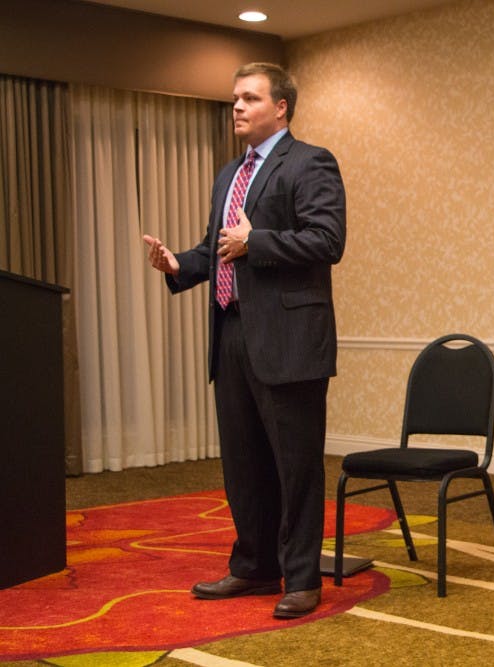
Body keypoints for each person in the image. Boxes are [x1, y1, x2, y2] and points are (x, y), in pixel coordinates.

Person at [142, 62, 346, 619]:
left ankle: (302, 578)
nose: (236, 106)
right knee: (243, 462)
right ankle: (255, 567)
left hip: (289, 340)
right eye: (234, 98)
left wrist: (260, 242)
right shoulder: (229, 174)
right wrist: (177, 264)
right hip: (231, 331)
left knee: (295, 464)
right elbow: (218, 250)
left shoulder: (310, 162)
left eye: (249, 98)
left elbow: (328, 240)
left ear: (281, 107)